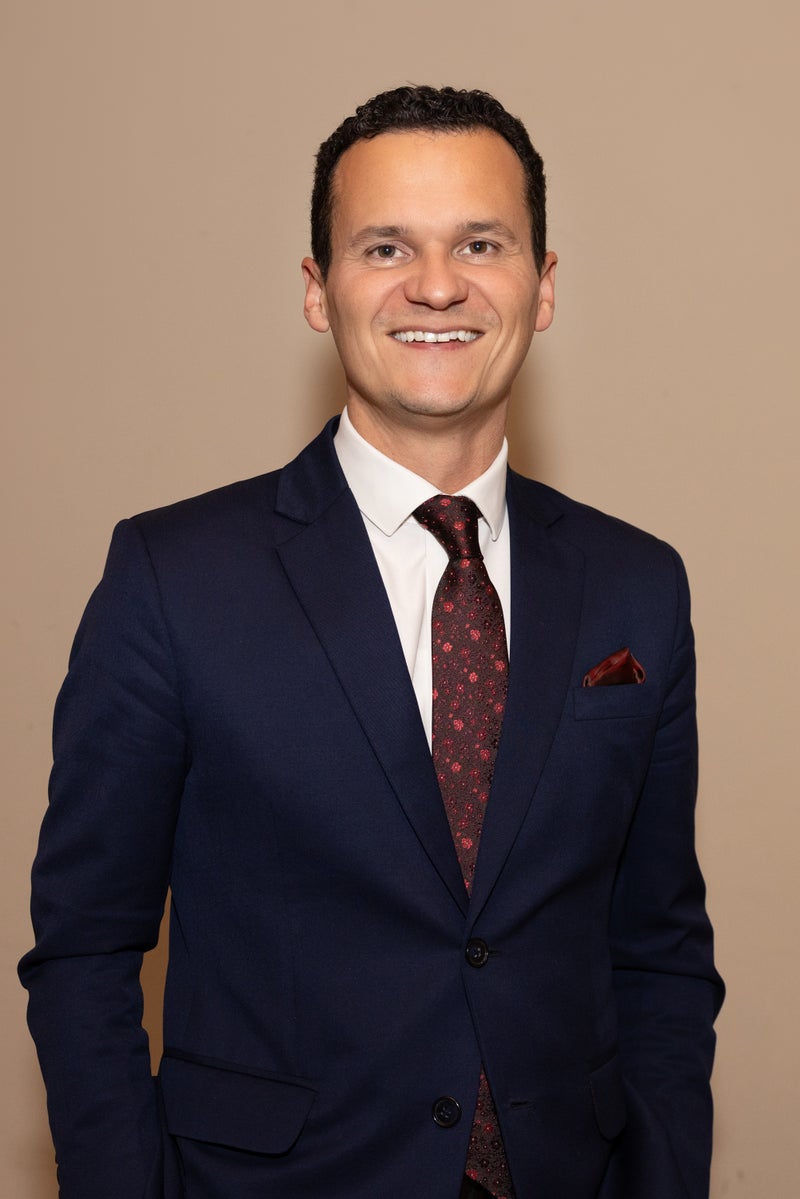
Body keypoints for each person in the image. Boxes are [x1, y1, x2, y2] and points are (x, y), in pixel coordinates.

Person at [20, 85, 723, 1199]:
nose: (435, 285)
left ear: (542, 285)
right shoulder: (173, 578)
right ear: (318, 288)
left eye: (480, 244)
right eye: (385, 246)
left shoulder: (638, 584)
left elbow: (660, 950)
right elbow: (84, 950)